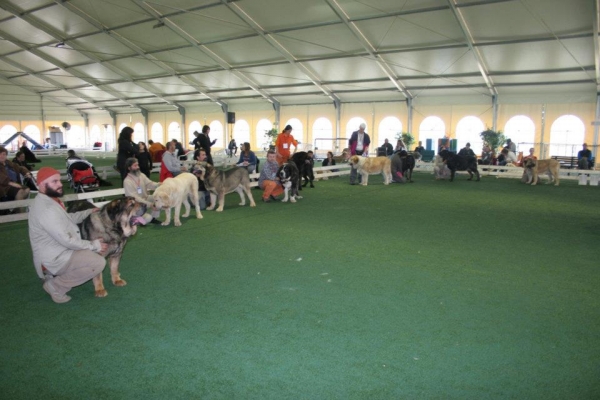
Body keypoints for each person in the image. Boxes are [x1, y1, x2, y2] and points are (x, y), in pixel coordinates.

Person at [28, 166, 108, 303]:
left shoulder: (49, 200)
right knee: (98, 262)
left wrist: (88, 212)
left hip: (58, 251)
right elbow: (67, 240)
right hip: (55, 258)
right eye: (54, 182)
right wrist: (94, 245)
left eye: (59, 180)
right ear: (41, 184)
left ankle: (54, 276)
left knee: (91, 255)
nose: (60, 185)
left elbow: (67, 219)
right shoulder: (47, 209)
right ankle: (55, 286)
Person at [123, 158, 161, 225]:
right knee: (148, 218)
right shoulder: (127, 181)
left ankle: (153, 218)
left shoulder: (141, 175)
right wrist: (150, 204)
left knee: (159, 199)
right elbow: (135, 199)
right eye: (135, 166)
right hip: (135, 205)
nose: (138, 167)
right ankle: (134, 218)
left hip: (145, 199)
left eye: (138, 165)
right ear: (129, 168)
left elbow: (150, 184)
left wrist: (159, 185)